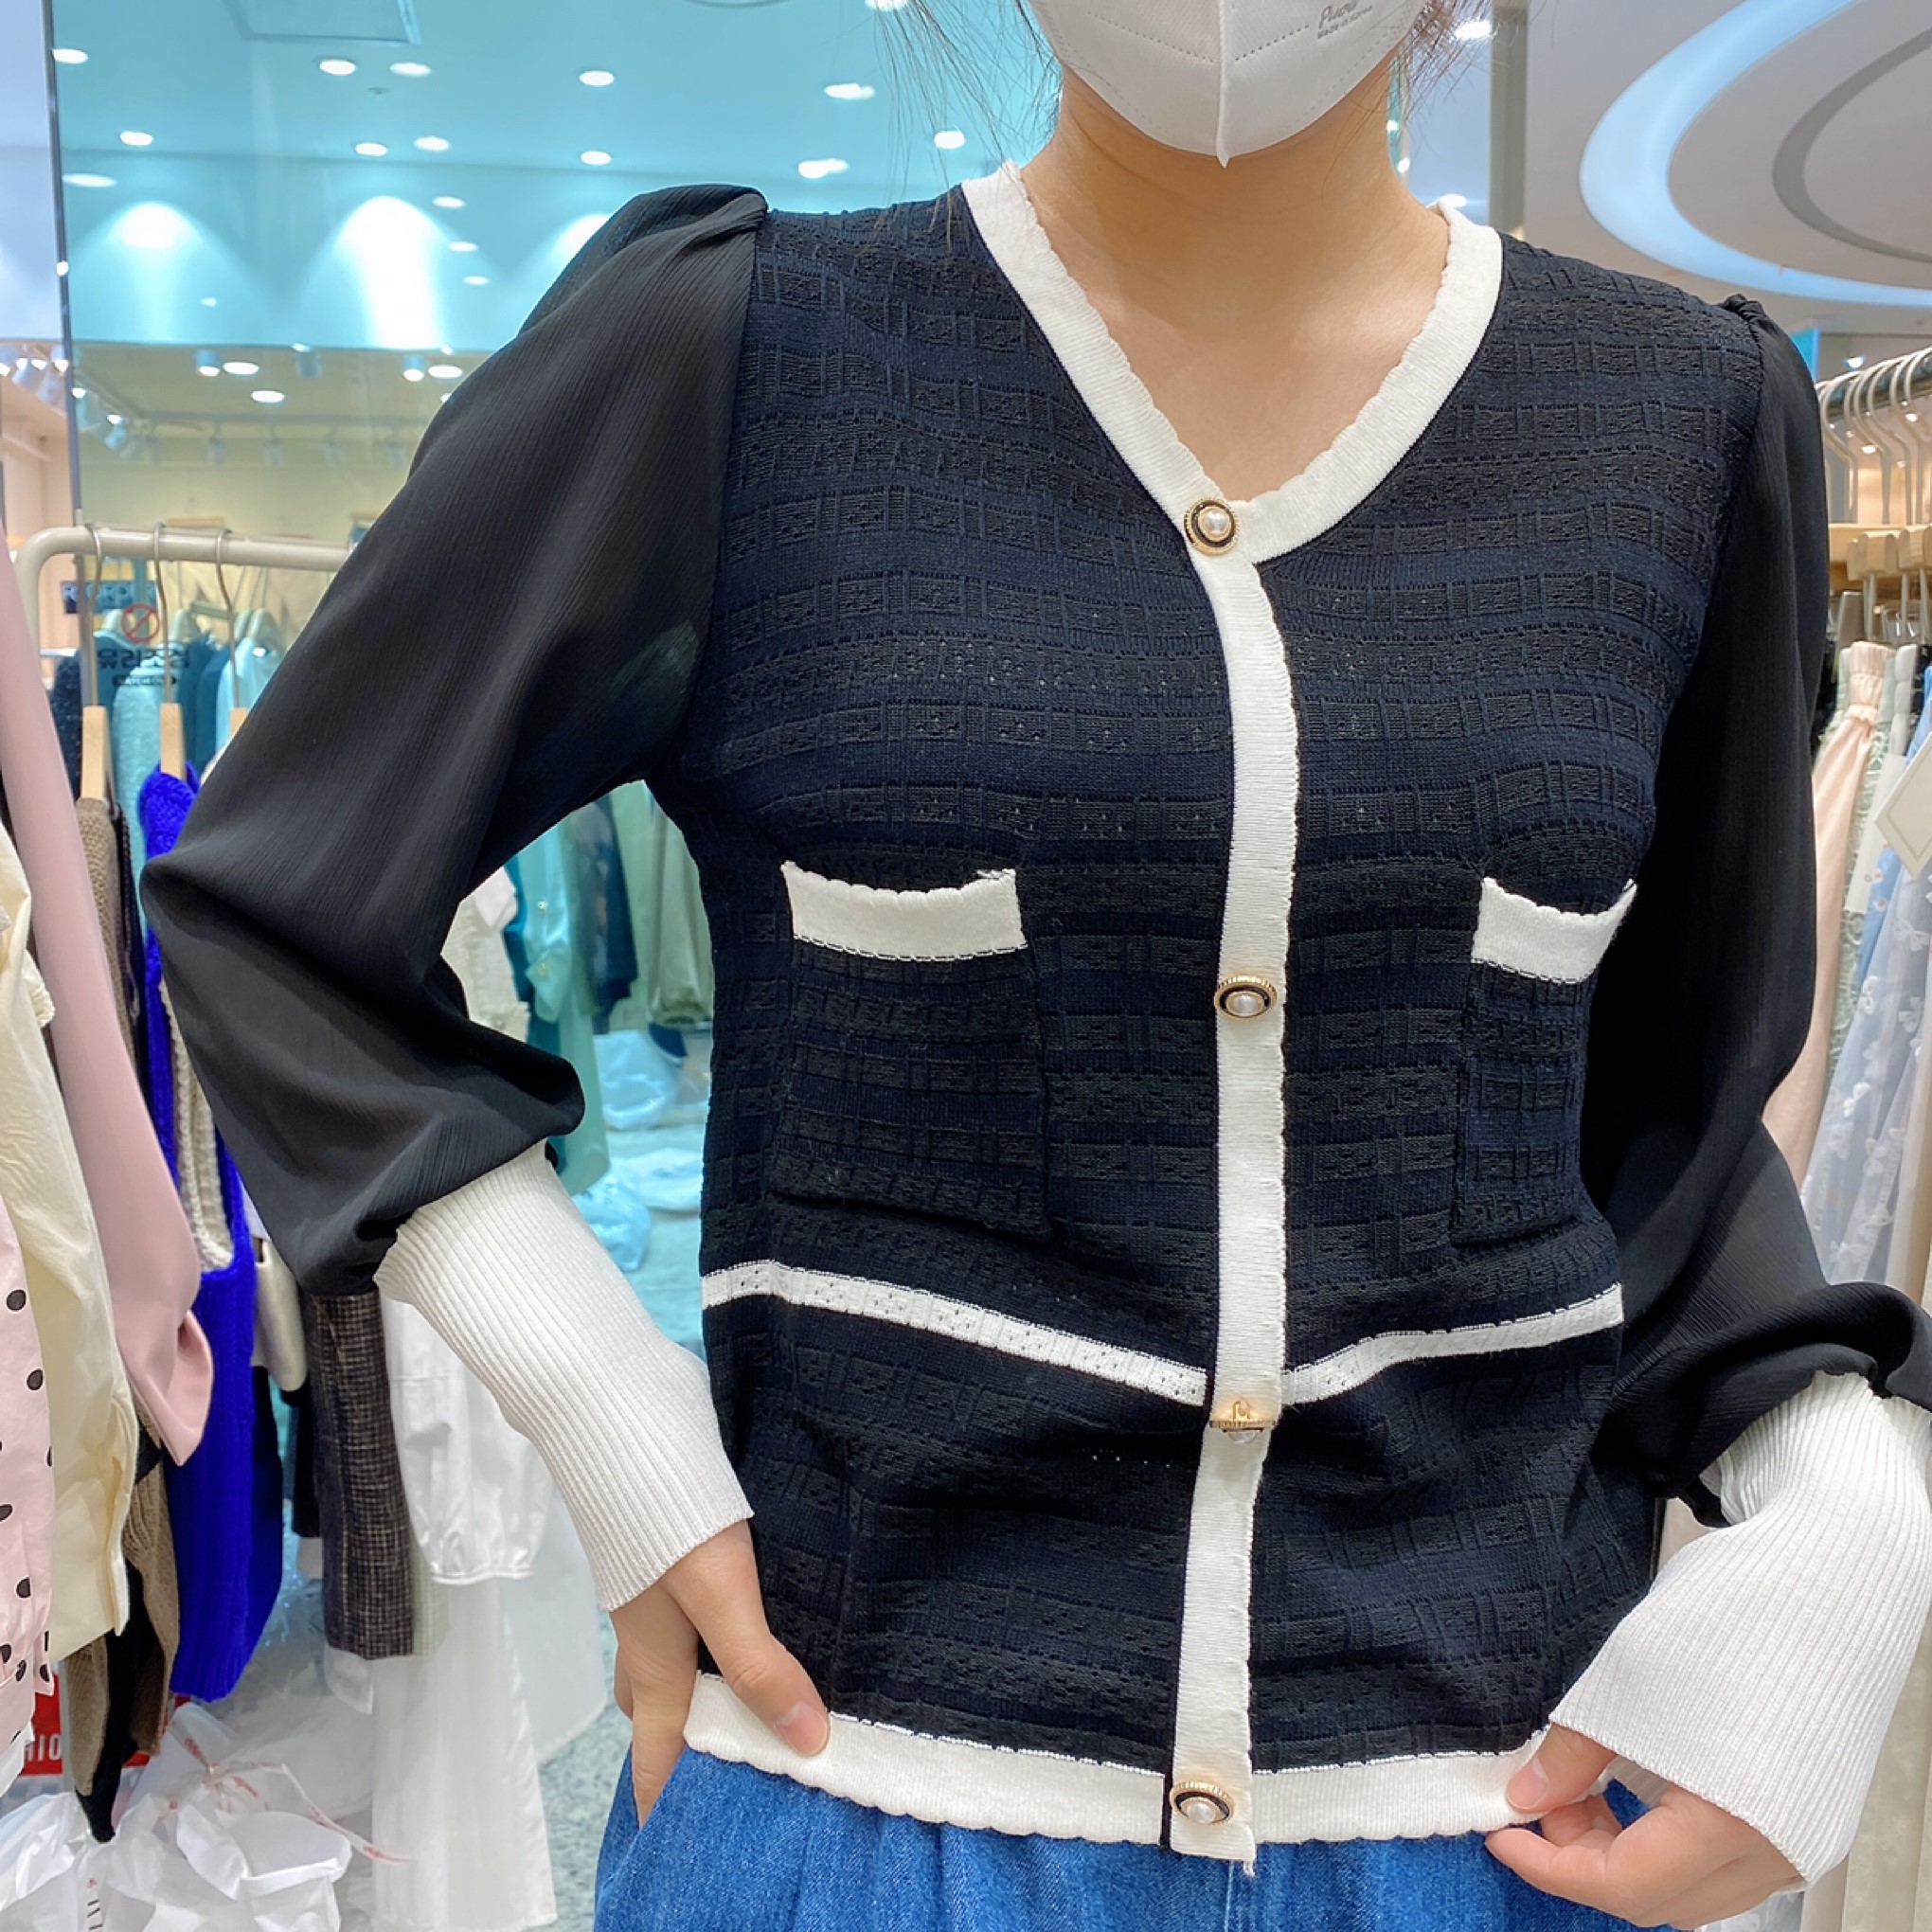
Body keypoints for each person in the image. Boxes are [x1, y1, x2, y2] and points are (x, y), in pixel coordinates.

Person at [144, 3, 1932, 1927]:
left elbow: (1668, 1110)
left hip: (1482, 1817)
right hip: (856, 1795)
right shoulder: (741, 359)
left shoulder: (1676, 421)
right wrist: (606, 1403)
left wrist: (1841, 1498)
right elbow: (279, 905)